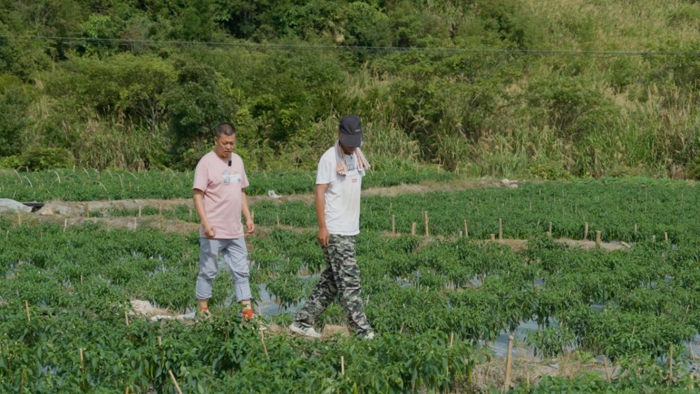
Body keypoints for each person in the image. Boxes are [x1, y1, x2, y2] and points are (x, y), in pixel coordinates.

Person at [289, 114, 375, 339]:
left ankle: (302, 321)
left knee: (332, 282)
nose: (351, 146)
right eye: (348, 141)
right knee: (350, 280)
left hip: (349, 229)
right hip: (335, 230)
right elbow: (319, 192)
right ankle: (362, 331)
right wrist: (322, 226)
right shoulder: (328, 159)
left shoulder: (357, 155)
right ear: (339, 134)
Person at [193, 122, 255, 319]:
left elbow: (241, 192)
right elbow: (197, 195)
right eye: (225, 143)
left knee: (242, 271)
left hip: (235, 230)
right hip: (214, 231)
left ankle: (247, 312)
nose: (229, 147)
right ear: (216, 141)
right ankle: (203, 310)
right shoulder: (206, 163)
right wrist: (206, 223)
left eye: (232, 143)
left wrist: (248, 217)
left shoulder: (238, 161)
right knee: (208, 271)